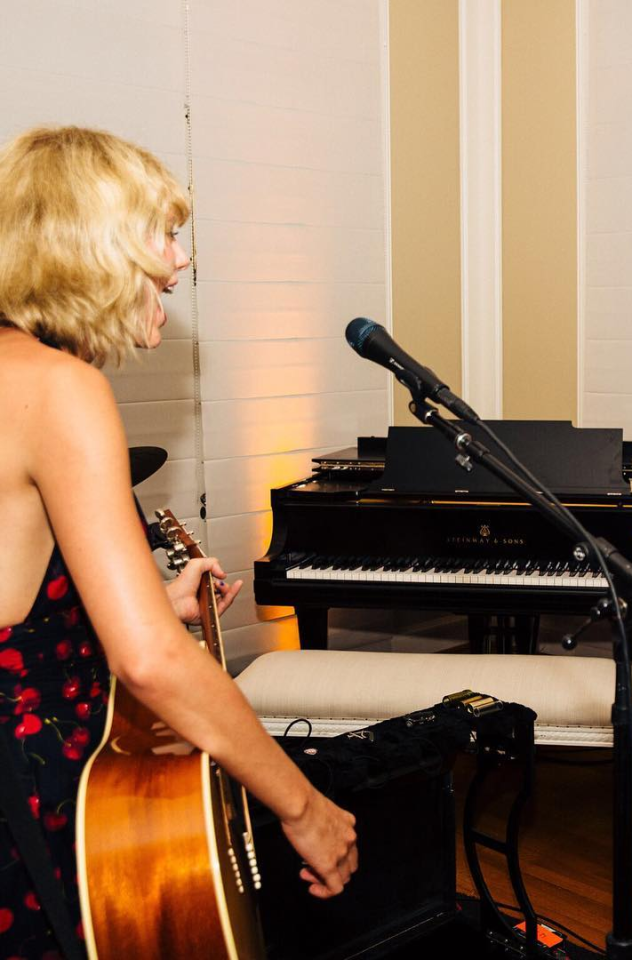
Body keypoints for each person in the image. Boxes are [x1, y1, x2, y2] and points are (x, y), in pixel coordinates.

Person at [0, 126, 357, 958]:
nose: (181, 260)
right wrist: (304, 808)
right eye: (163, 232)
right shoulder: (60, 387)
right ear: (94, 243)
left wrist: (144, 602)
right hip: (33, 789)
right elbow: (151, 663)